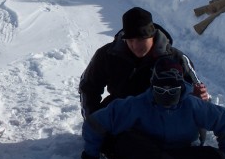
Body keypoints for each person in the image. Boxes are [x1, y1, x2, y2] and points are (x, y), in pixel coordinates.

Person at [78, 56, 225, 159]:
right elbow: (95, 123)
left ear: (182, 87)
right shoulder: (137, 104)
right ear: (152, 87)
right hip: (146, 152)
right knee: (127, 142)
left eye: (173, 91)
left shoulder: (193, 105)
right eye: (160, 90)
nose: (166, 95)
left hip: (179, 153)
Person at [79, 7, 210, 120]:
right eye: (130, 40)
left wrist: (201, 99)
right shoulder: (107, 55)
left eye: (141, 39)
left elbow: (198, 95)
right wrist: (92, 120)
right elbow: (88, 87)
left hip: (163, 117)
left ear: (152, 35)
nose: (135, 45)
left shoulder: (175, 58)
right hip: (121, 113)